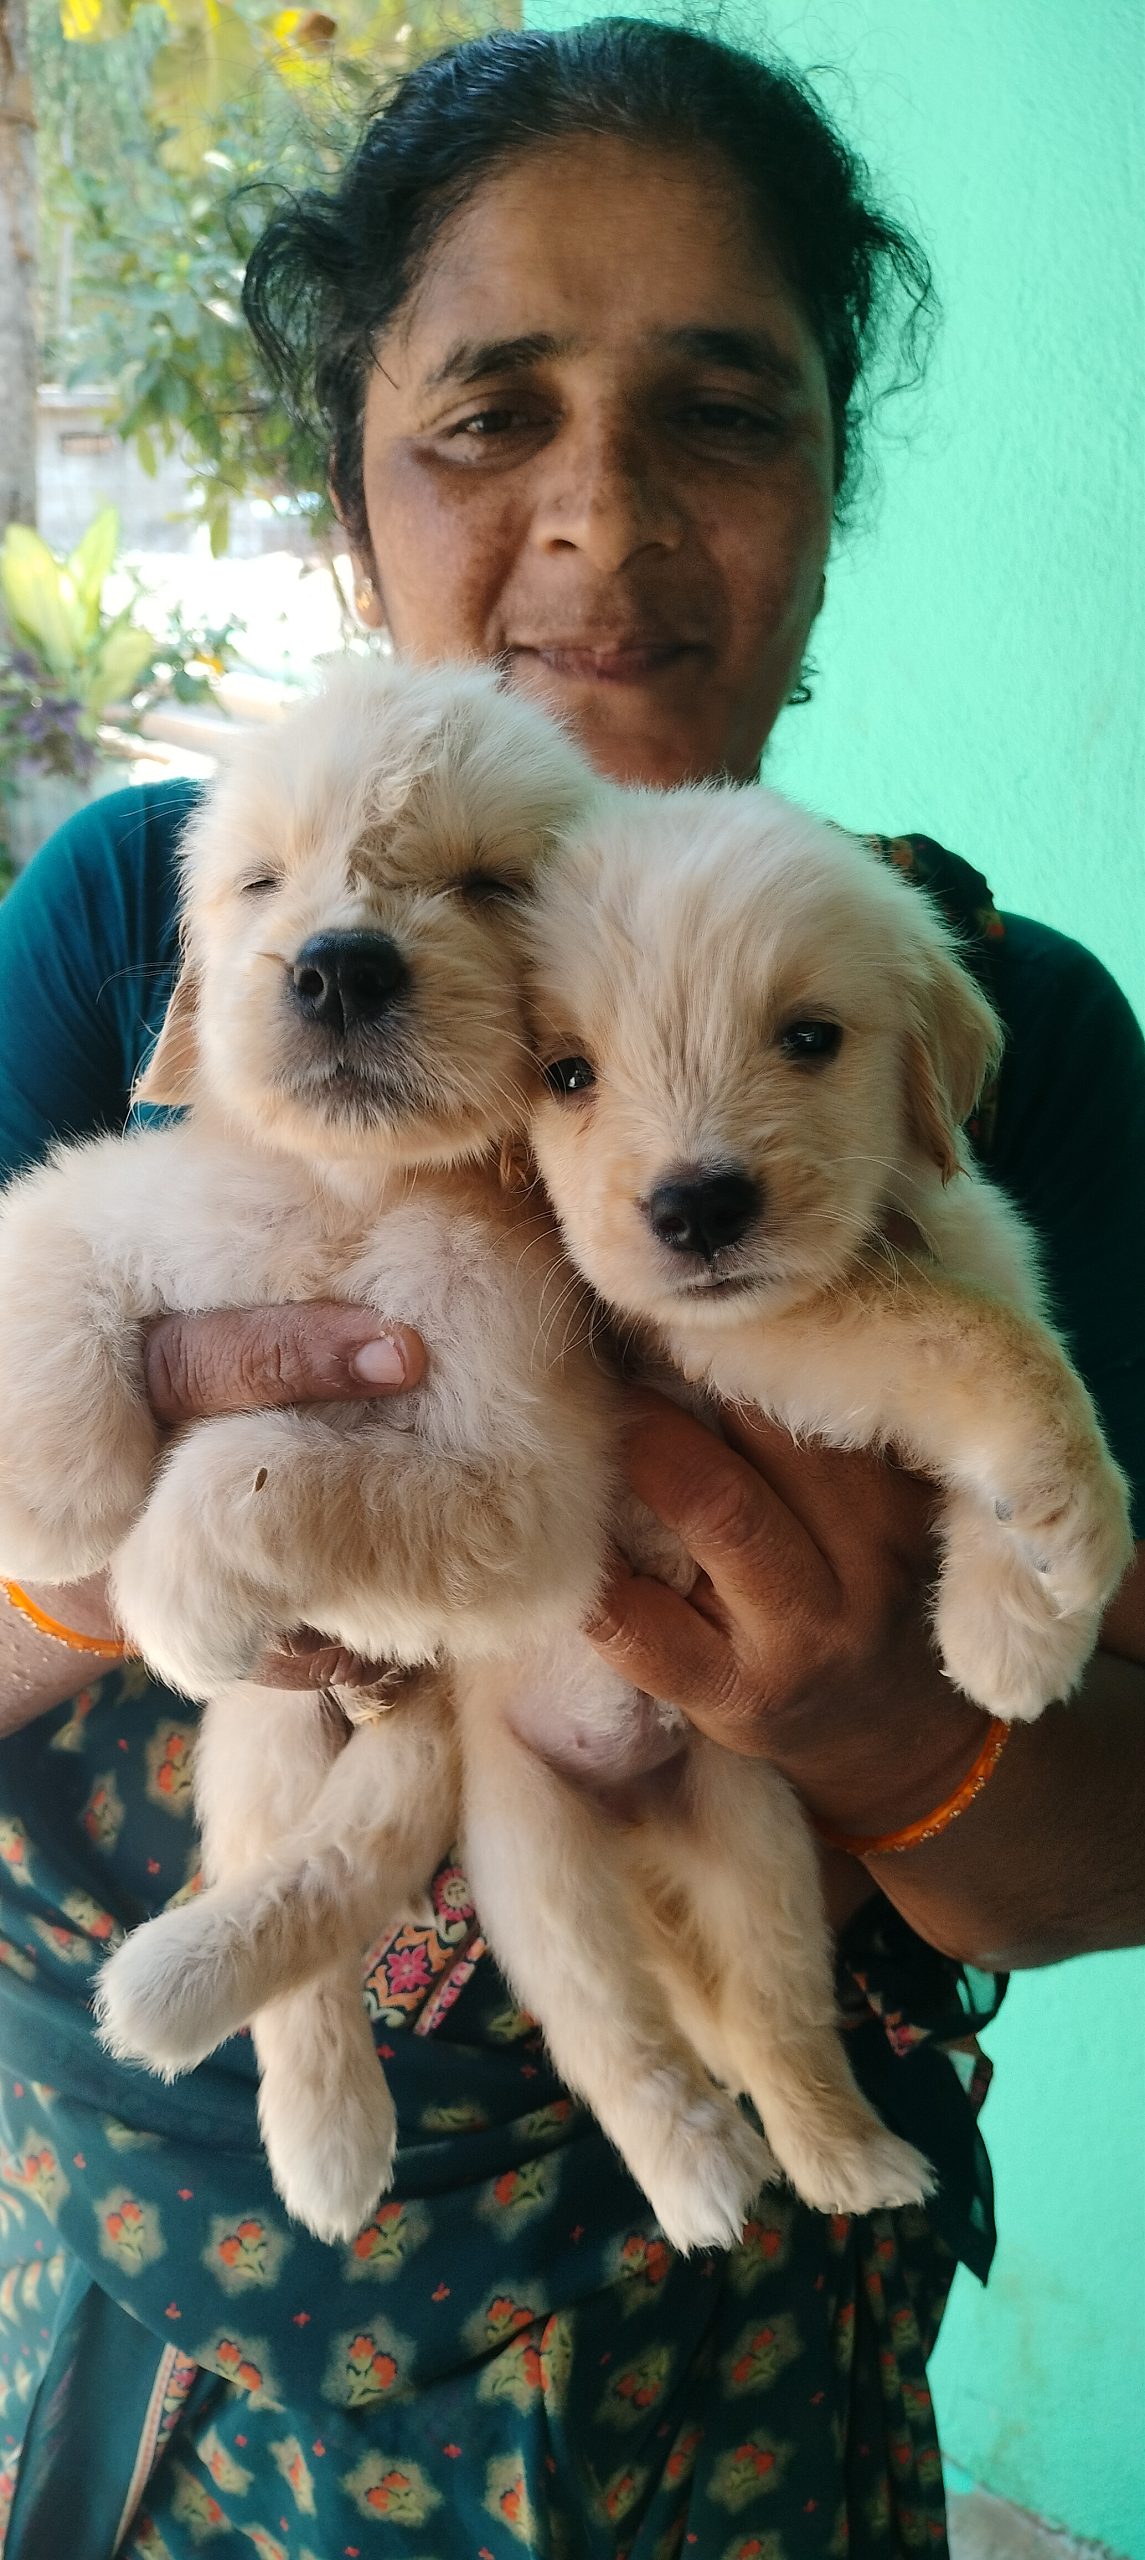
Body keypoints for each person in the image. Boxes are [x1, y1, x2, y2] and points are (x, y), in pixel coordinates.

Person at [0, 21, 1141, 2556]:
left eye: (719, 413)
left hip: (715, 2332)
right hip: (145, 2277)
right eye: (486, 414)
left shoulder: (978, 1020)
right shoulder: (141, 924)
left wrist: (864, 1699)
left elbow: (1110, 1844)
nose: (599, 530)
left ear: (838, 477)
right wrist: (106, 1530)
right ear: (355, 484)